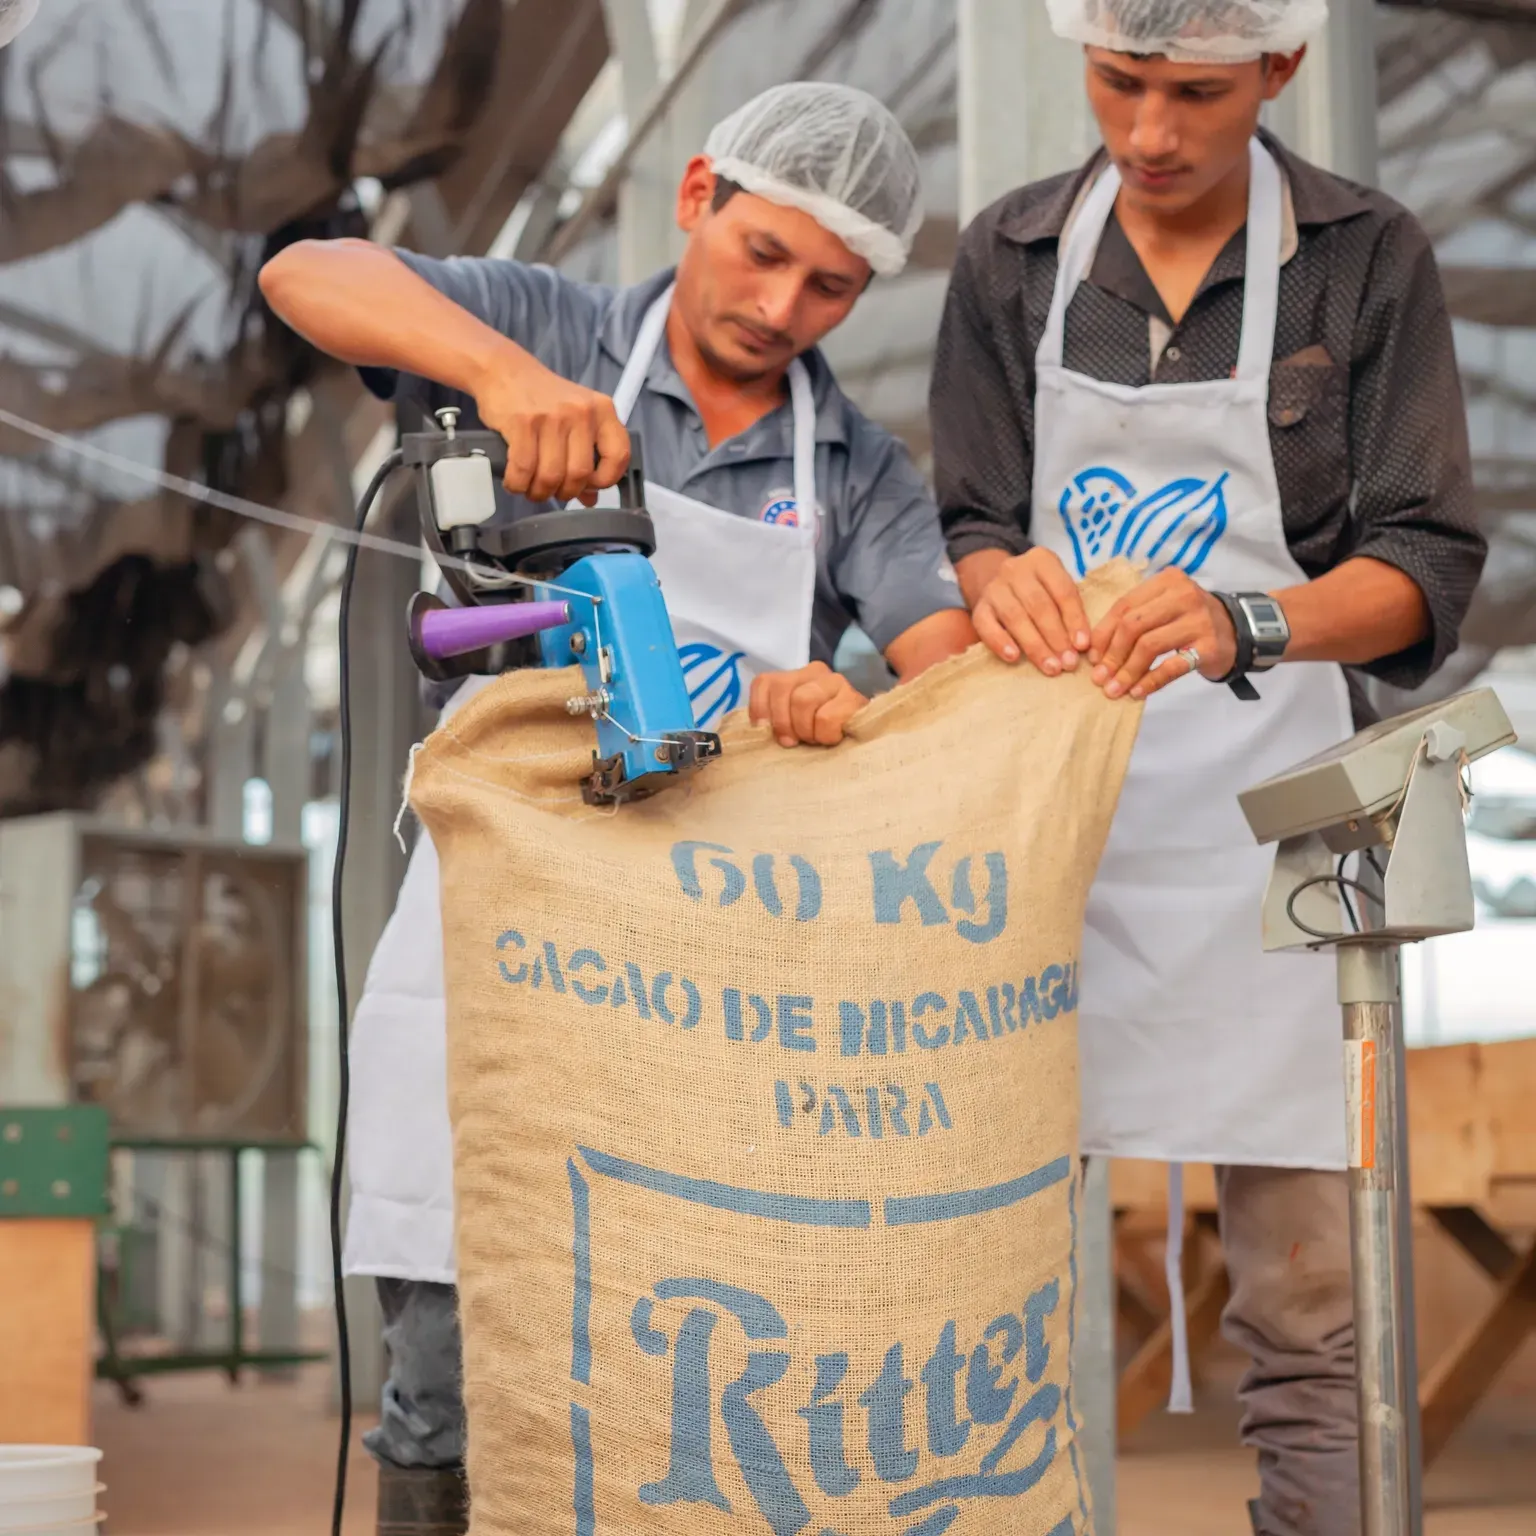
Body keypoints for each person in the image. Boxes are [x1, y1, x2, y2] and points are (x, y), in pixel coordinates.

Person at [260, 81, 975, 1535]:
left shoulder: (855, 473)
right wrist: (502, 379)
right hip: (510, 901)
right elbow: (303, 275)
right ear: (696, 193)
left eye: (831, 284)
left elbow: (947, 681)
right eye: (762, 251)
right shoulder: (555, 326)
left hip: (707, 943)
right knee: (449, 1330)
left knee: (691, 1338)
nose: (783, 305)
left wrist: (848, 705)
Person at [929, 5, 1486, 1534]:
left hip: (1277, 832)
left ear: (1283, 70)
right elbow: (971, 519)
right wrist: (998, 583)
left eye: (1195, 92)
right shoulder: (1012, 260)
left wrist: (1252, 614)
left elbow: (1426, 562)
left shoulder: (1362, 256)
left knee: (1310, 1302)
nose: (1151, 132)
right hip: (1056, 821)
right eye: (1119, 82)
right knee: (986, 1282)